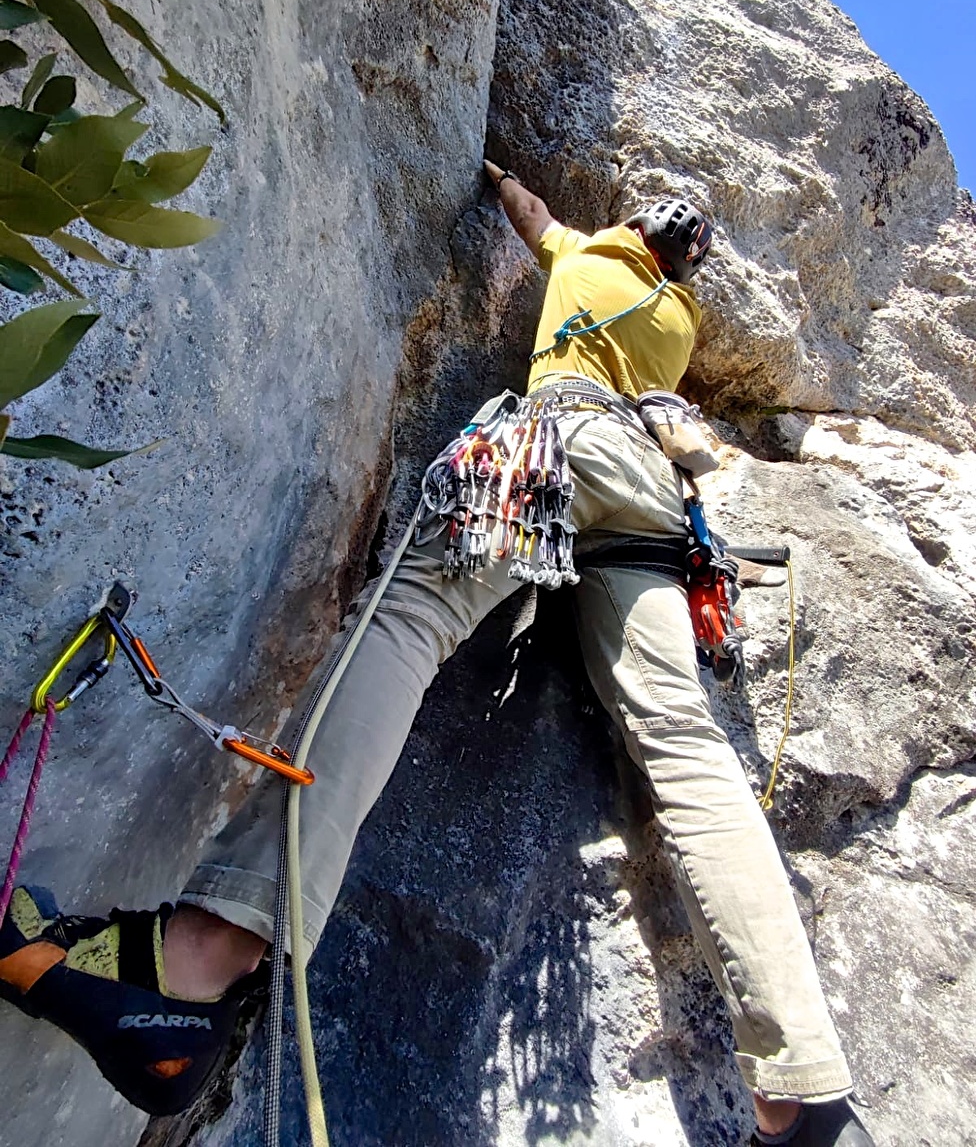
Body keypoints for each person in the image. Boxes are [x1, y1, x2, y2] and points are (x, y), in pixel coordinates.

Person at [0, 161, 875, 1147]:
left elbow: (533, 215)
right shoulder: (675, 325)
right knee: (685, 743)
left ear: (633, 230)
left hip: (555, 437)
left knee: (412, 615)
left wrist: (500, 175)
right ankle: (801, 1082)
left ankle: (201, 954)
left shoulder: (586, 253)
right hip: (651, 498)